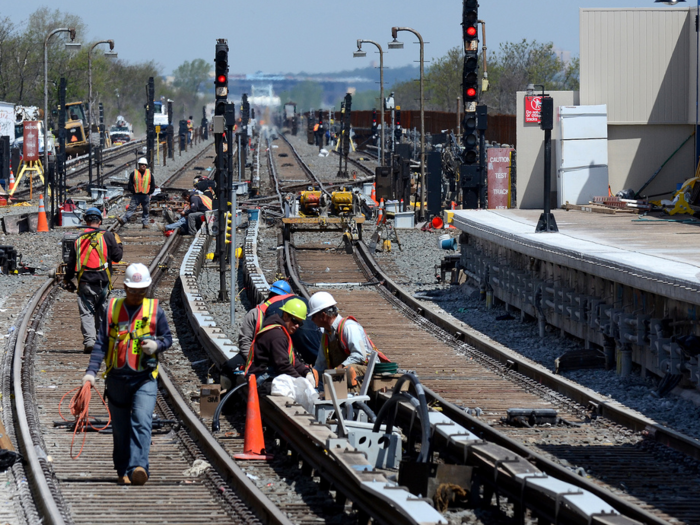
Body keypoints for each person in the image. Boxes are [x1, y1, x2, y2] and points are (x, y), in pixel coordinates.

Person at [81, 263, 172, 486]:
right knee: (121, 428)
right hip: (116, 378)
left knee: (142, 420)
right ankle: (123, 468)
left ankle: (138, 467)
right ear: (125, 287)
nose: (137, 295)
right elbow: (101, 342)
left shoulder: (155, 310)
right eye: (133, 291)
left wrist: (157, 345)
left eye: (142, 291)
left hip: (144, 377)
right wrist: (91, 372)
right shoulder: (112, 308)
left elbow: (168, 338)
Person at [64, 207, 123, 354]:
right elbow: (117, 257)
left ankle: (90, 341)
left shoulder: (78, 239)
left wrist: (67, 279)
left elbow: (71, 264)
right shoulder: (108, 236)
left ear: (85, 221)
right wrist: (119, 245)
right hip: (103, 282)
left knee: (87, 312)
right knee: (103, 312)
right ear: (100, 221)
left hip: (84, 282)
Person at [308, 291, 390, 392]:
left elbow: (360, 355)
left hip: (367, 375)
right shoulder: (326, 336)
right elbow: (321, 365)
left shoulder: (349, 327)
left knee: (348, 370)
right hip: (348, 377)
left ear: (324, 315)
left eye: (313, 316)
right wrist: (312, 375)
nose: (312, 320)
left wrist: (339, 369)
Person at [244, 298, 316, 393]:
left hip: (265, 375)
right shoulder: (277, 335)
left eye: (300, 323)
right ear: (285, 316)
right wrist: (300, 381)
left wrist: (306, 372)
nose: (297, 326)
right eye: (294, 320)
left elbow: (292, 359)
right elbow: (283, 365)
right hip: (262, 378)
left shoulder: (280, 331)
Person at [119, 158, 155, 229]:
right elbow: (130, 184)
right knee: (131, 208)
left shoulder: (149, 174)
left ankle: (145, 224)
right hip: (136, 195)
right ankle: (123, 220)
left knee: (146, 210)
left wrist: (149, 193)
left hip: (145, 195)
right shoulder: (134, 174)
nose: (143, 166)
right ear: (139, 165)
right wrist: (133, 192)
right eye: (142, 164)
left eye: (145, 164)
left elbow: (153, 185)